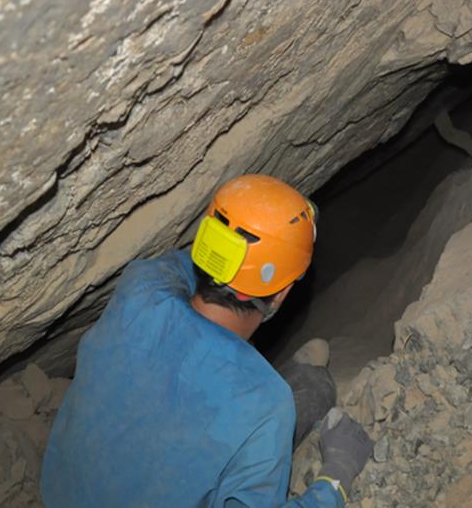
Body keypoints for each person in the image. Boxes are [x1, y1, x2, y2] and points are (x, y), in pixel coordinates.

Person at [41, 174, 373, 507]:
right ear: (283, 293)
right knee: (312, 390)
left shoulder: (140, 288)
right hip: (250, 404)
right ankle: (299, 379)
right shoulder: (268, 404)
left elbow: (178, 266)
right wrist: (335, 479)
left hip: (60, 495)